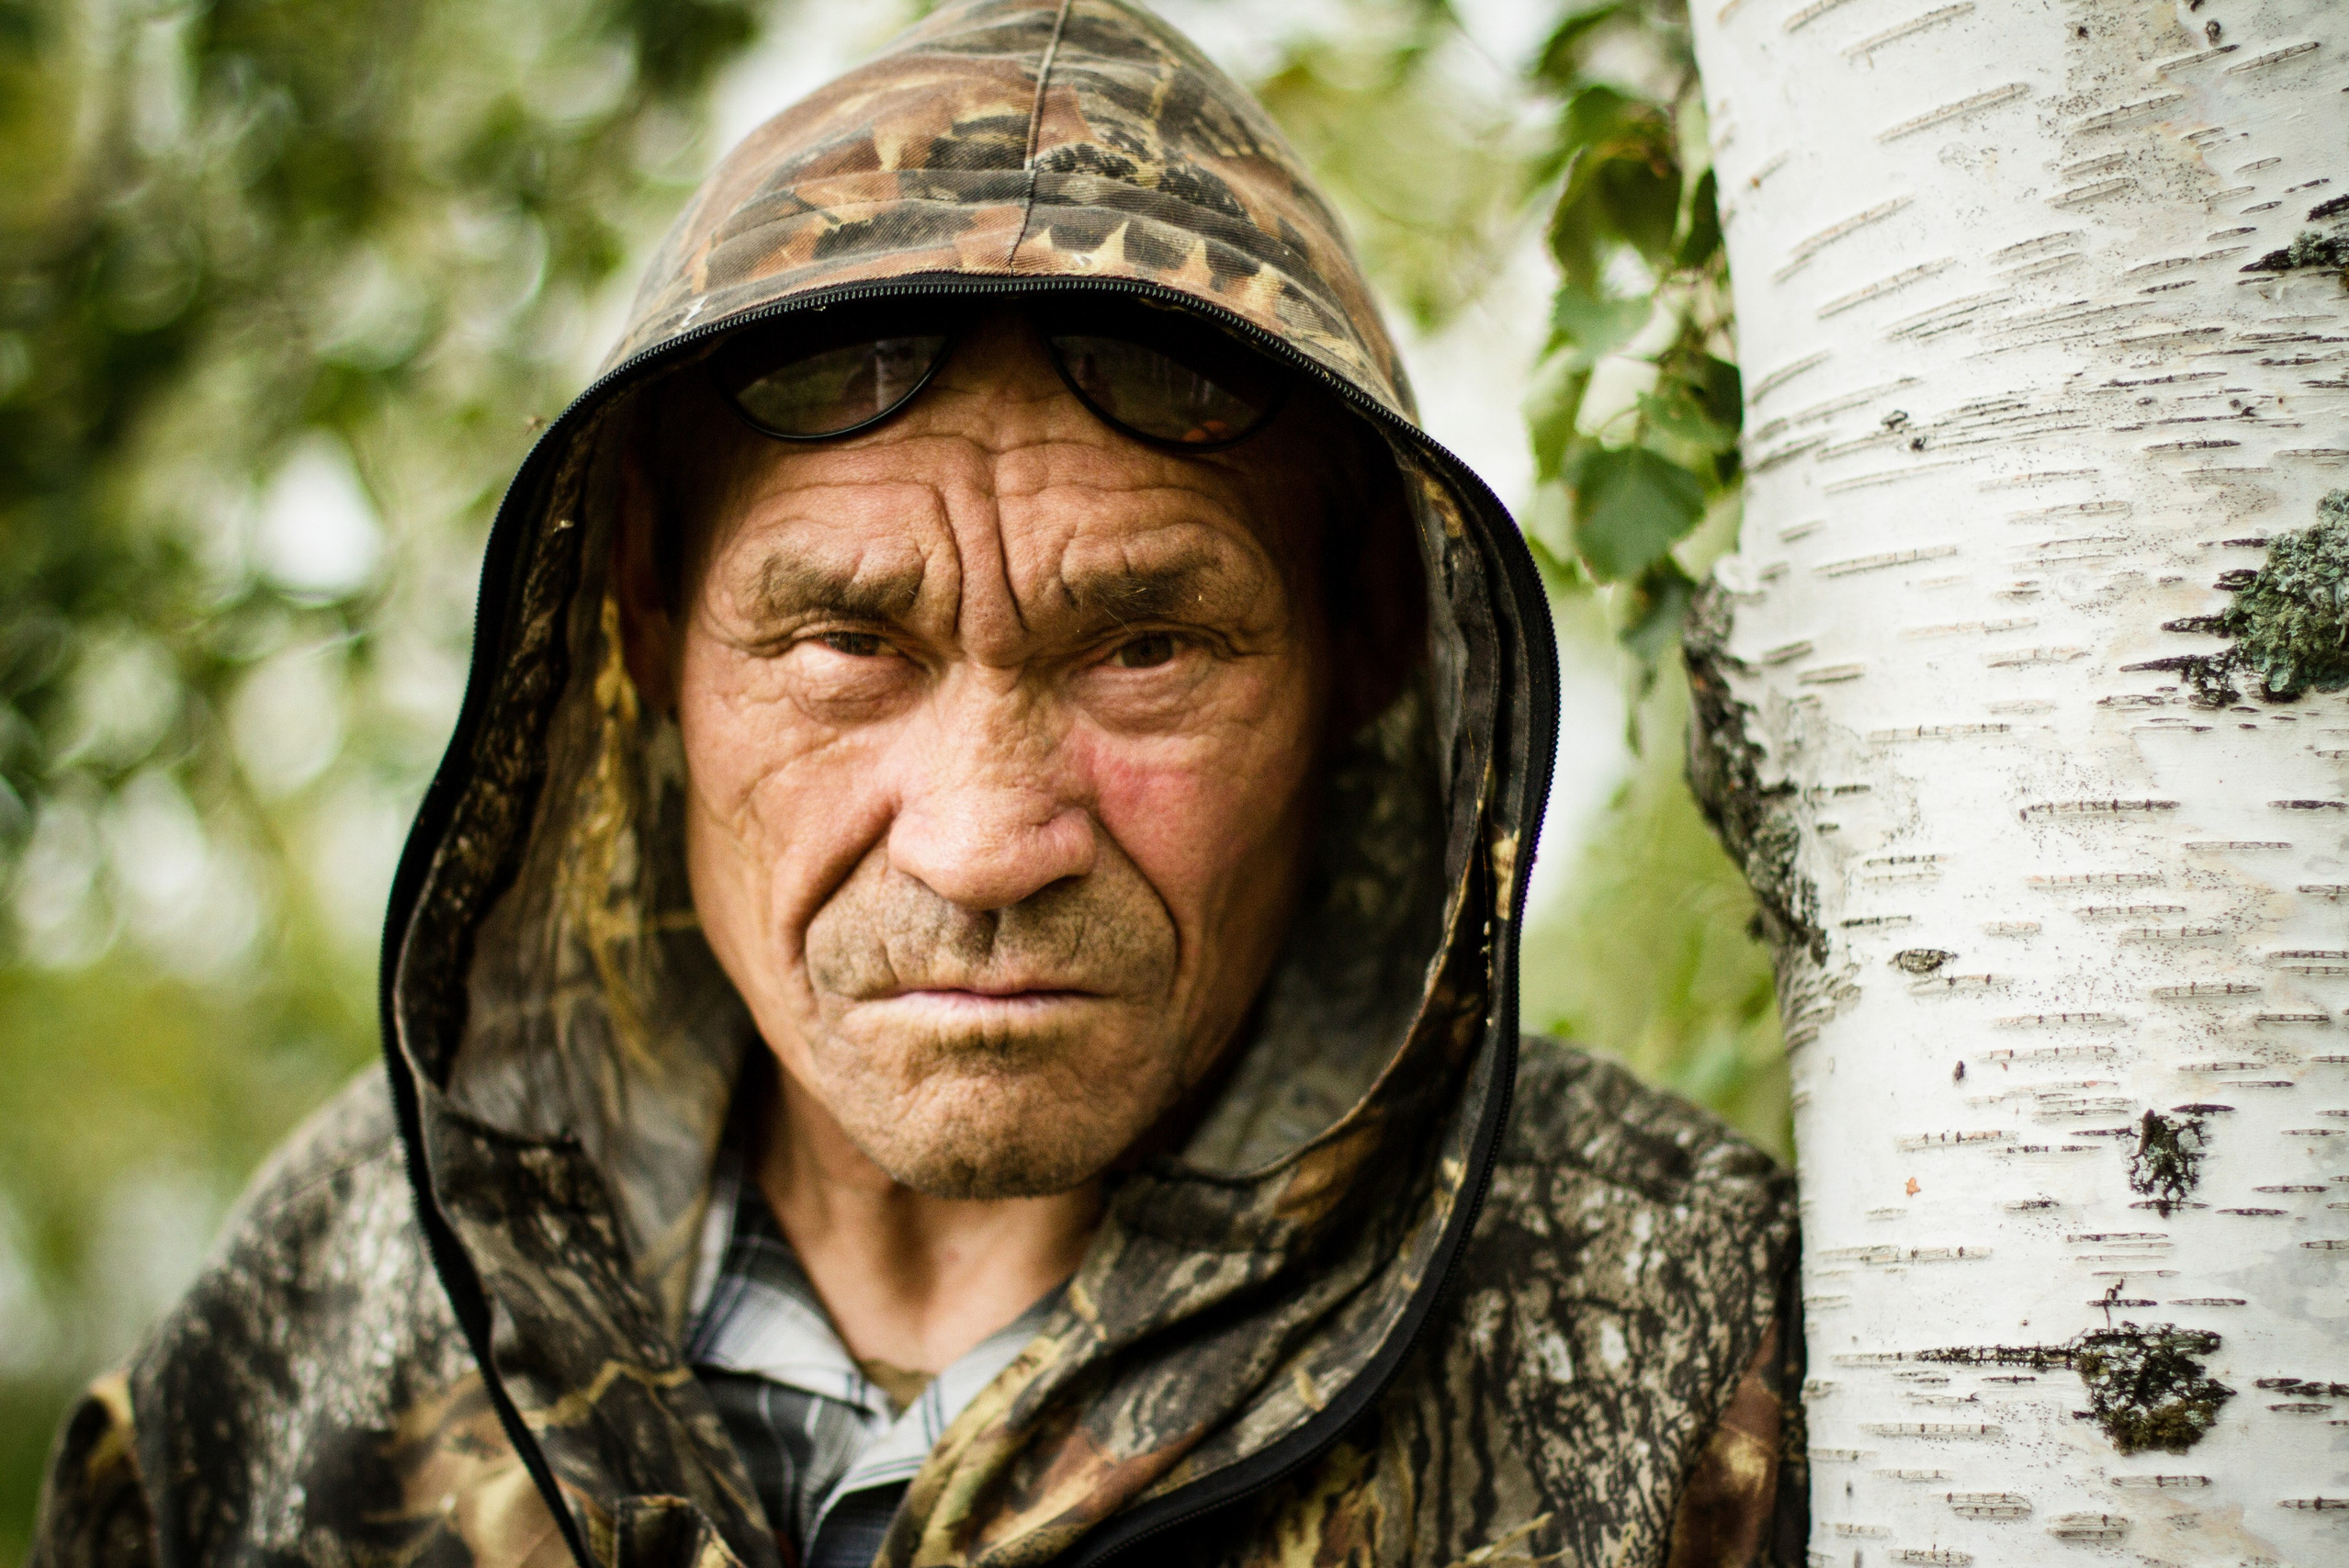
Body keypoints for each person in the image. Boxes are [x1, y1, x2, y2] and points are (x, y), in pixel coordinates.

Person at [31, 3, 1801, 1565]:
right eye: (842, 643)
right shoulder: (316, 1329)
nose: (981, 847)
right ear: (640, 625)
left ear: (1367, 654)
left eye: (1148, 650)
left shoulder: (1674, 1352)